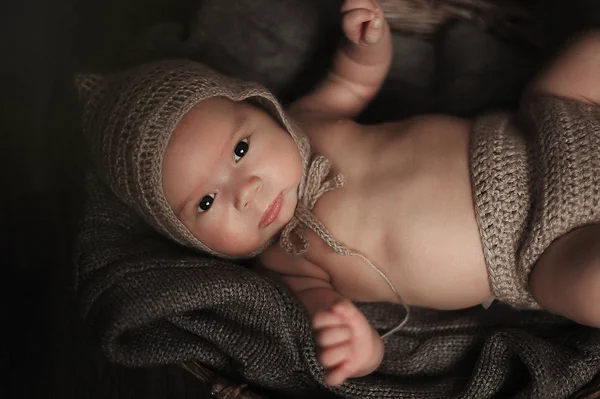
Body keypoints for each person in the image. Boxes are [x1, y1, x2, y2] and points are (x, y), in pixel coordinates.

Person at [77, 0, 600, 388]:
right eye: (206, 203)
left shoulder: (310, 122)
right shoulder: (286, 262)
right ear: (188, 240)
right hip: (540, 248)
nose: (246, 190)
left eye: (240, 150)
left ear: (262, 110)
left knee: (587, 52)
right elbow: (326, 314)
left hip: (544, 124)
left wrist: (365, 44)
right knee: (587, 291)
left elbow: (352, 81)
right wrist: (359, 347)